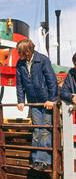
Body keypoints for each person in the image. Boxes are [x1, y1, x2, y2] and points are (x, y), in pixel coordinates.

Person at [16, 38, 58, 171]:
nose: (19, 55)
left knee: (45, 129)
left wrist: (52, 99)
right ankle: (36, 159)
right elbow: (19, 84)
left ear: (28, 51)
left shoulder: (43, 60)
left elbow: (51, 80)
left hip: (46, 101)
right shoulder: (20, 63)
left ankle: (44, 161)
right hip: (34, 101)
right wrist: (21, 100)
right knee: (36, 130)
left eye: (21, 52)